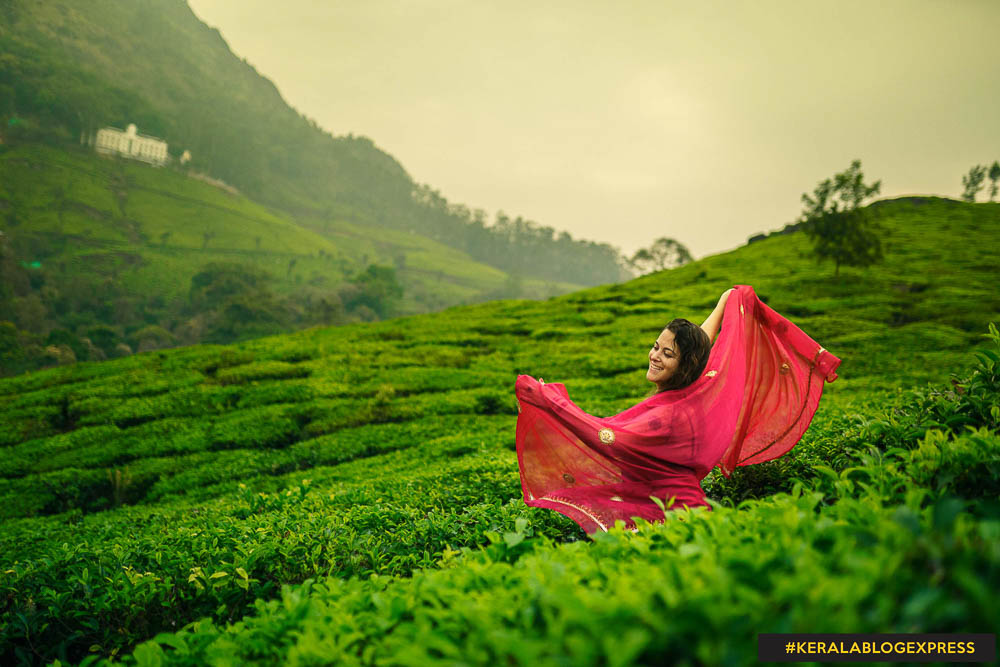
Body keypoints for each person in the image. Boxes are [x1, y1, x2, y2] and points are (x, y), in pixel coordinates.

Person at [514, 284, 841, 535]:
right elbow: (703, 341)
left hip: (675, 519)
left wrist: (548, 400)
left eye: (667, 354)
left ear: (684, 366)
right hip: (682, 512)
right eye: (656, 346)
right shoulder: (698, 386)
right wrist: (725, 301)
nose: (655, 356)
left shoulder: (668, 416)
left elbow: (606, 438)